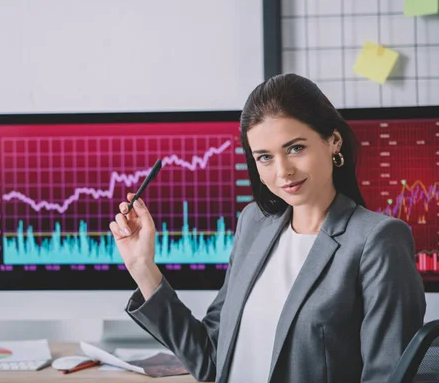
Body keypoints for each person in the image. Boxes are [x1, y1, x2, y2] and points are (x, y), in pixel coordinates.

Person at [108, 73, 426, 383]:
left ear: (333, 141)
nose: (283, 171)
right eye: (264, 157)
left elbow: (386, 374)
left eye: (296, 148)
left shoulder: (378, 240)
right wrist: (142, 267)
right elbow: (209, 360)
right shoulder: (254, 223)